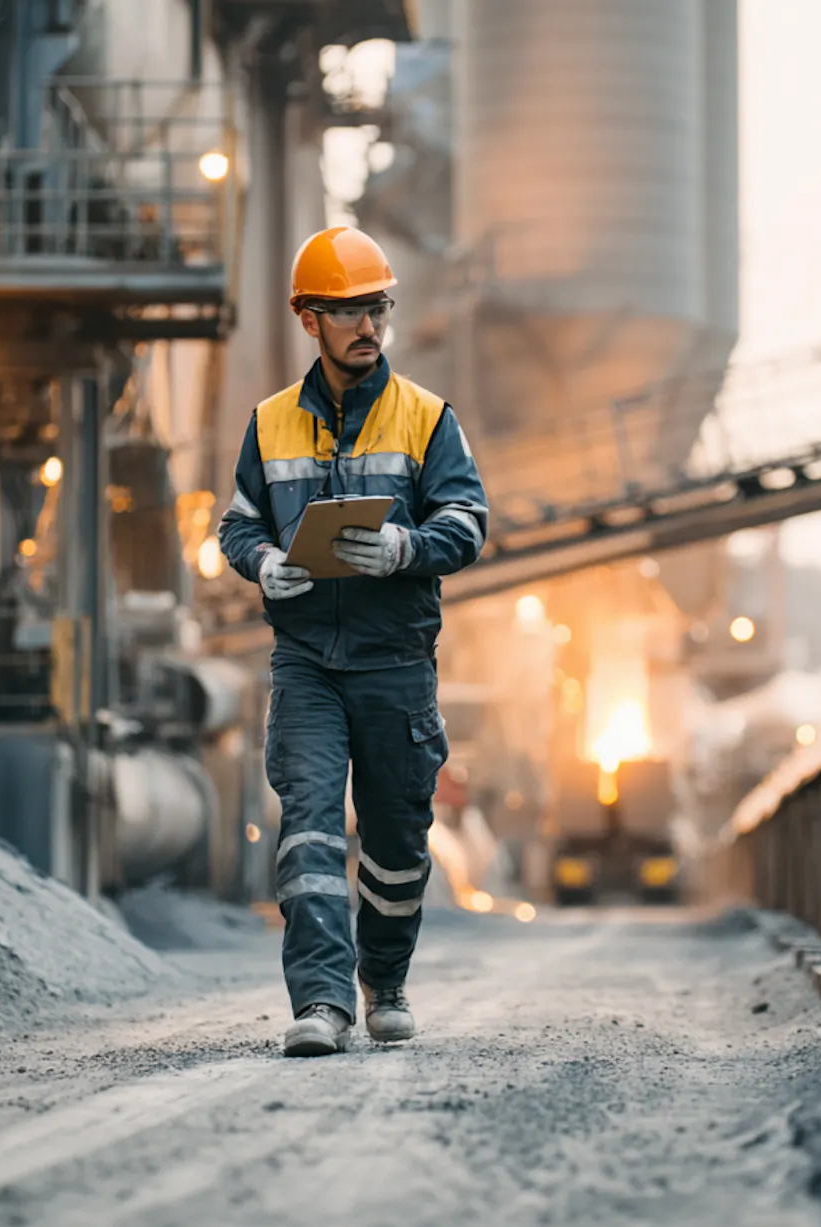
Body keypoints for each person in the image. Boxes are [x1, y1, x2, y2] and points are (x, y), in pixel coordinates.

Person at [219, 226, 489, 1057]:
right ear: (310, 319)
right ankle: (324, 1002)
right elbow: (236, 523)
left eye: (376, 307)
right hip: (306, 665)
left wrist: (409, 546)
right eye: (347, 311)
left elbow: (469, 520)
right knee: (307, 827)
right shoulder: (269, 426)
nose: (367, 325)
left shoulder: (426, 418)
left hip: (395, 664)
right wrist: (264, 563)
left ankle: (388, 978)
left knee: (398, 842)